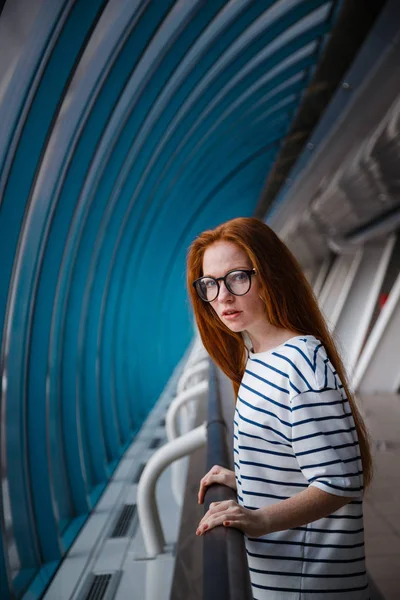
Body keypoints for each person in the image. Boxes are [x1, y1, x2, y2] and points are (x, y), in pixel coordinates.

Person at [186, 217, 372, 600]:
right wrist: (248, 478)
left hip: (311, 586)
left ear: (269, 275)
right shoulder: (256, 355)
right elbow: (302, 457)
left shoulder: (301, 360)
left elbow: (340, 482)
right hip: (281, 578)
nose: (222, 296)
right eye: (210, 284)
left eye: (237, 277)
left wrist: (257, 518)